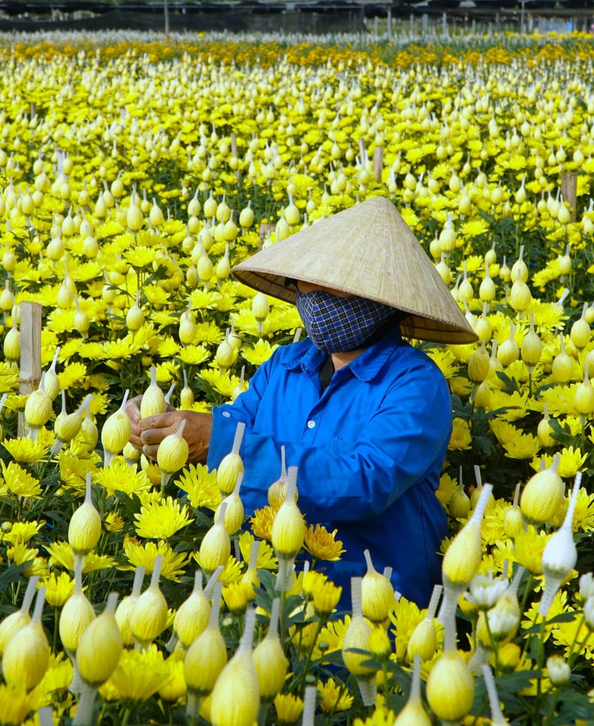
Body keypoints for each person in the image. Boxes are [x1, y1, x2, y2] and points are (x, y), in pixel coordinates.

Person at [126, 196, 476, 606]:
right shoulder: (284, 365)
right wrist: (172, 428)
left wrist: (219, 443)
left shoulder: (416, 384)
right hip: (267, 587)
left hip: (369, 603)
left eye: (328, 283)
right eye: (304, 282)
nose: (308, 295)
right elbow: (235, 422)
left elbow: (364, 480)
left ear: (376, 298)